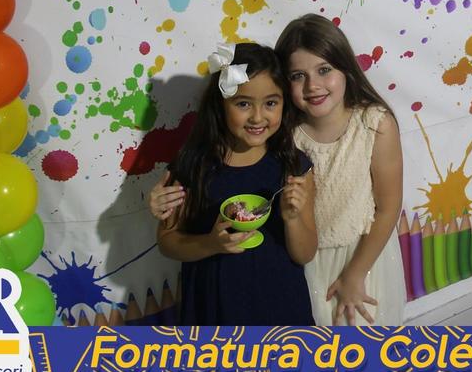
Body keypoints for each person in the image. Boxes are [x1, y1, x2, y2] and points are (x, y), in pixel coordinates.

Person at [152, 16, 407, 325]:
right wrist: (200, 235)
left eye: (324, 70)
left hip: (346, 267)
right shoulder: (277, 140)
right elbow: (169, 236)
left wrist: (352, 271)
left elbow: (385, 208)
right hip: (237, 297)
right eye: (298, 76)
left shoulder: (300, 155)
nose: (258, 117)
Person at [155, 42, 317, 324]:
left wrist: (292, 219)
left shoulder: (294, 166)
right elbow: (167, 242)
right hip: (214, 309)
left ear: (283, 103)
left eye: (270, 103)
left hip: (281, 310)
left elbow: (305, 254)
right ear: (221, 104)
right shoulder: (193, 165)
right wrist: (210, 244)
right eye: (243, 104)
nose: (258, 117)